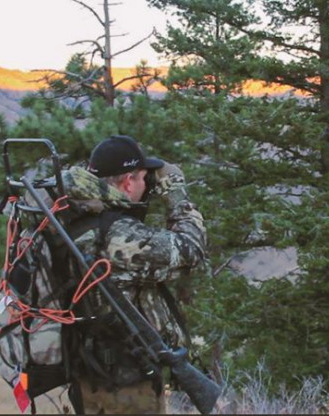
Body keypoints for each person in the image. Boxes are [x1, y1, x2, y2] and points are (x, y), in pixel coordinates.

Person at [59, 135, 207, 414]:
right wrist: (175, 192)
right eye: (142, 178)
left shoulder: (72, 216)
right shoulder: (117, 235)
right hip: (125, 383)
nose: (146, 185)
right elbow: (191, 249)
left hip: (87, 374)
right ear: (128, 182)